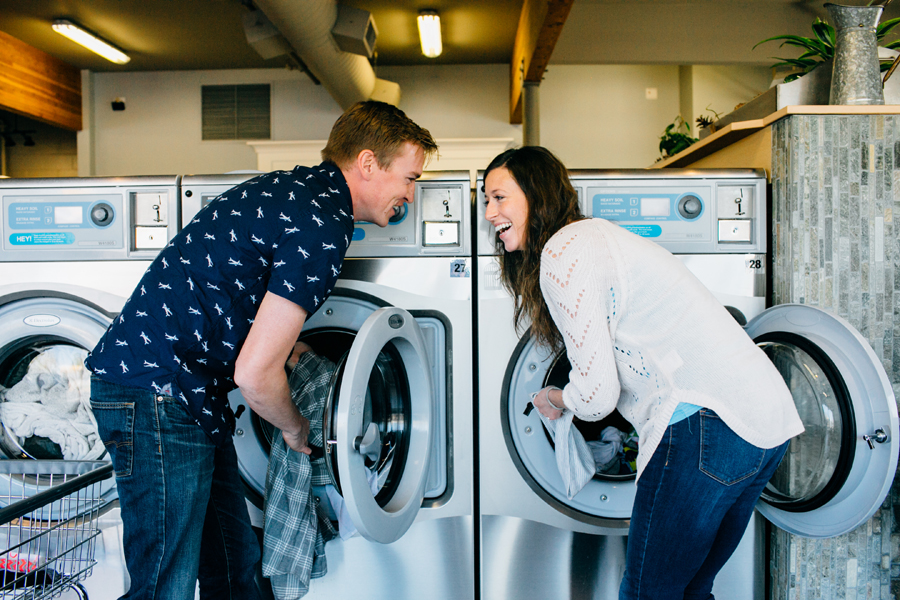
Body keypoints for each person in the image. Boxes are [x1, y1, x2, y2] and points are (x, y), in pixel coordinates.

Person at [86, 100, 438, 599]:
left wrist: (290, 349)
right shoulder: (324, 223)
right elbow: (255, 374)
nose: (411, 192)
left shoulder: (296, 191)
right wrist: (296, 429)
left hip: (186, 397)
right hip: (157, 397)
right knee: (164, 586)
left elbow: (237, 297)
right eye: (409, 177)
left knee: (234, 568)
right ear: (366, 163)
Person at [482, 146, 804, 600]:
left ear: (535, 193)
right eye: (485, 201)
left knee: (647, 594)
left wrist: (556, 399)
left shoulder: (562, 250)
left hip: (705, 427)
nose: (490, 213)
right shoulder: (596, 238)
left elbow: (596, 395)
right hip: (764, 425)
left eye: (500, 197)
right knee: (691, 590)